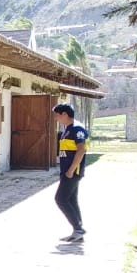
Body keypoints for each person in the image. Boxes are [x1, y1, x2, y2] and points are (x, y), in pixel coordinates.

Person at [53, 103, 88, 243]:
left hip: (72, 172)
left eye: (57, 115)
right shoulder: (67, 129)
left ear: (64, 115)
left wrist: (71, 170)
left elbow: (81, 149)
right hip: (66, 171)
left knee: (60, 199)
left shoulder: (76, 129)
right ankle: (77, 231)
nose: (55, 118)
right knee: (71, 200)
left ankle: (78, 229)